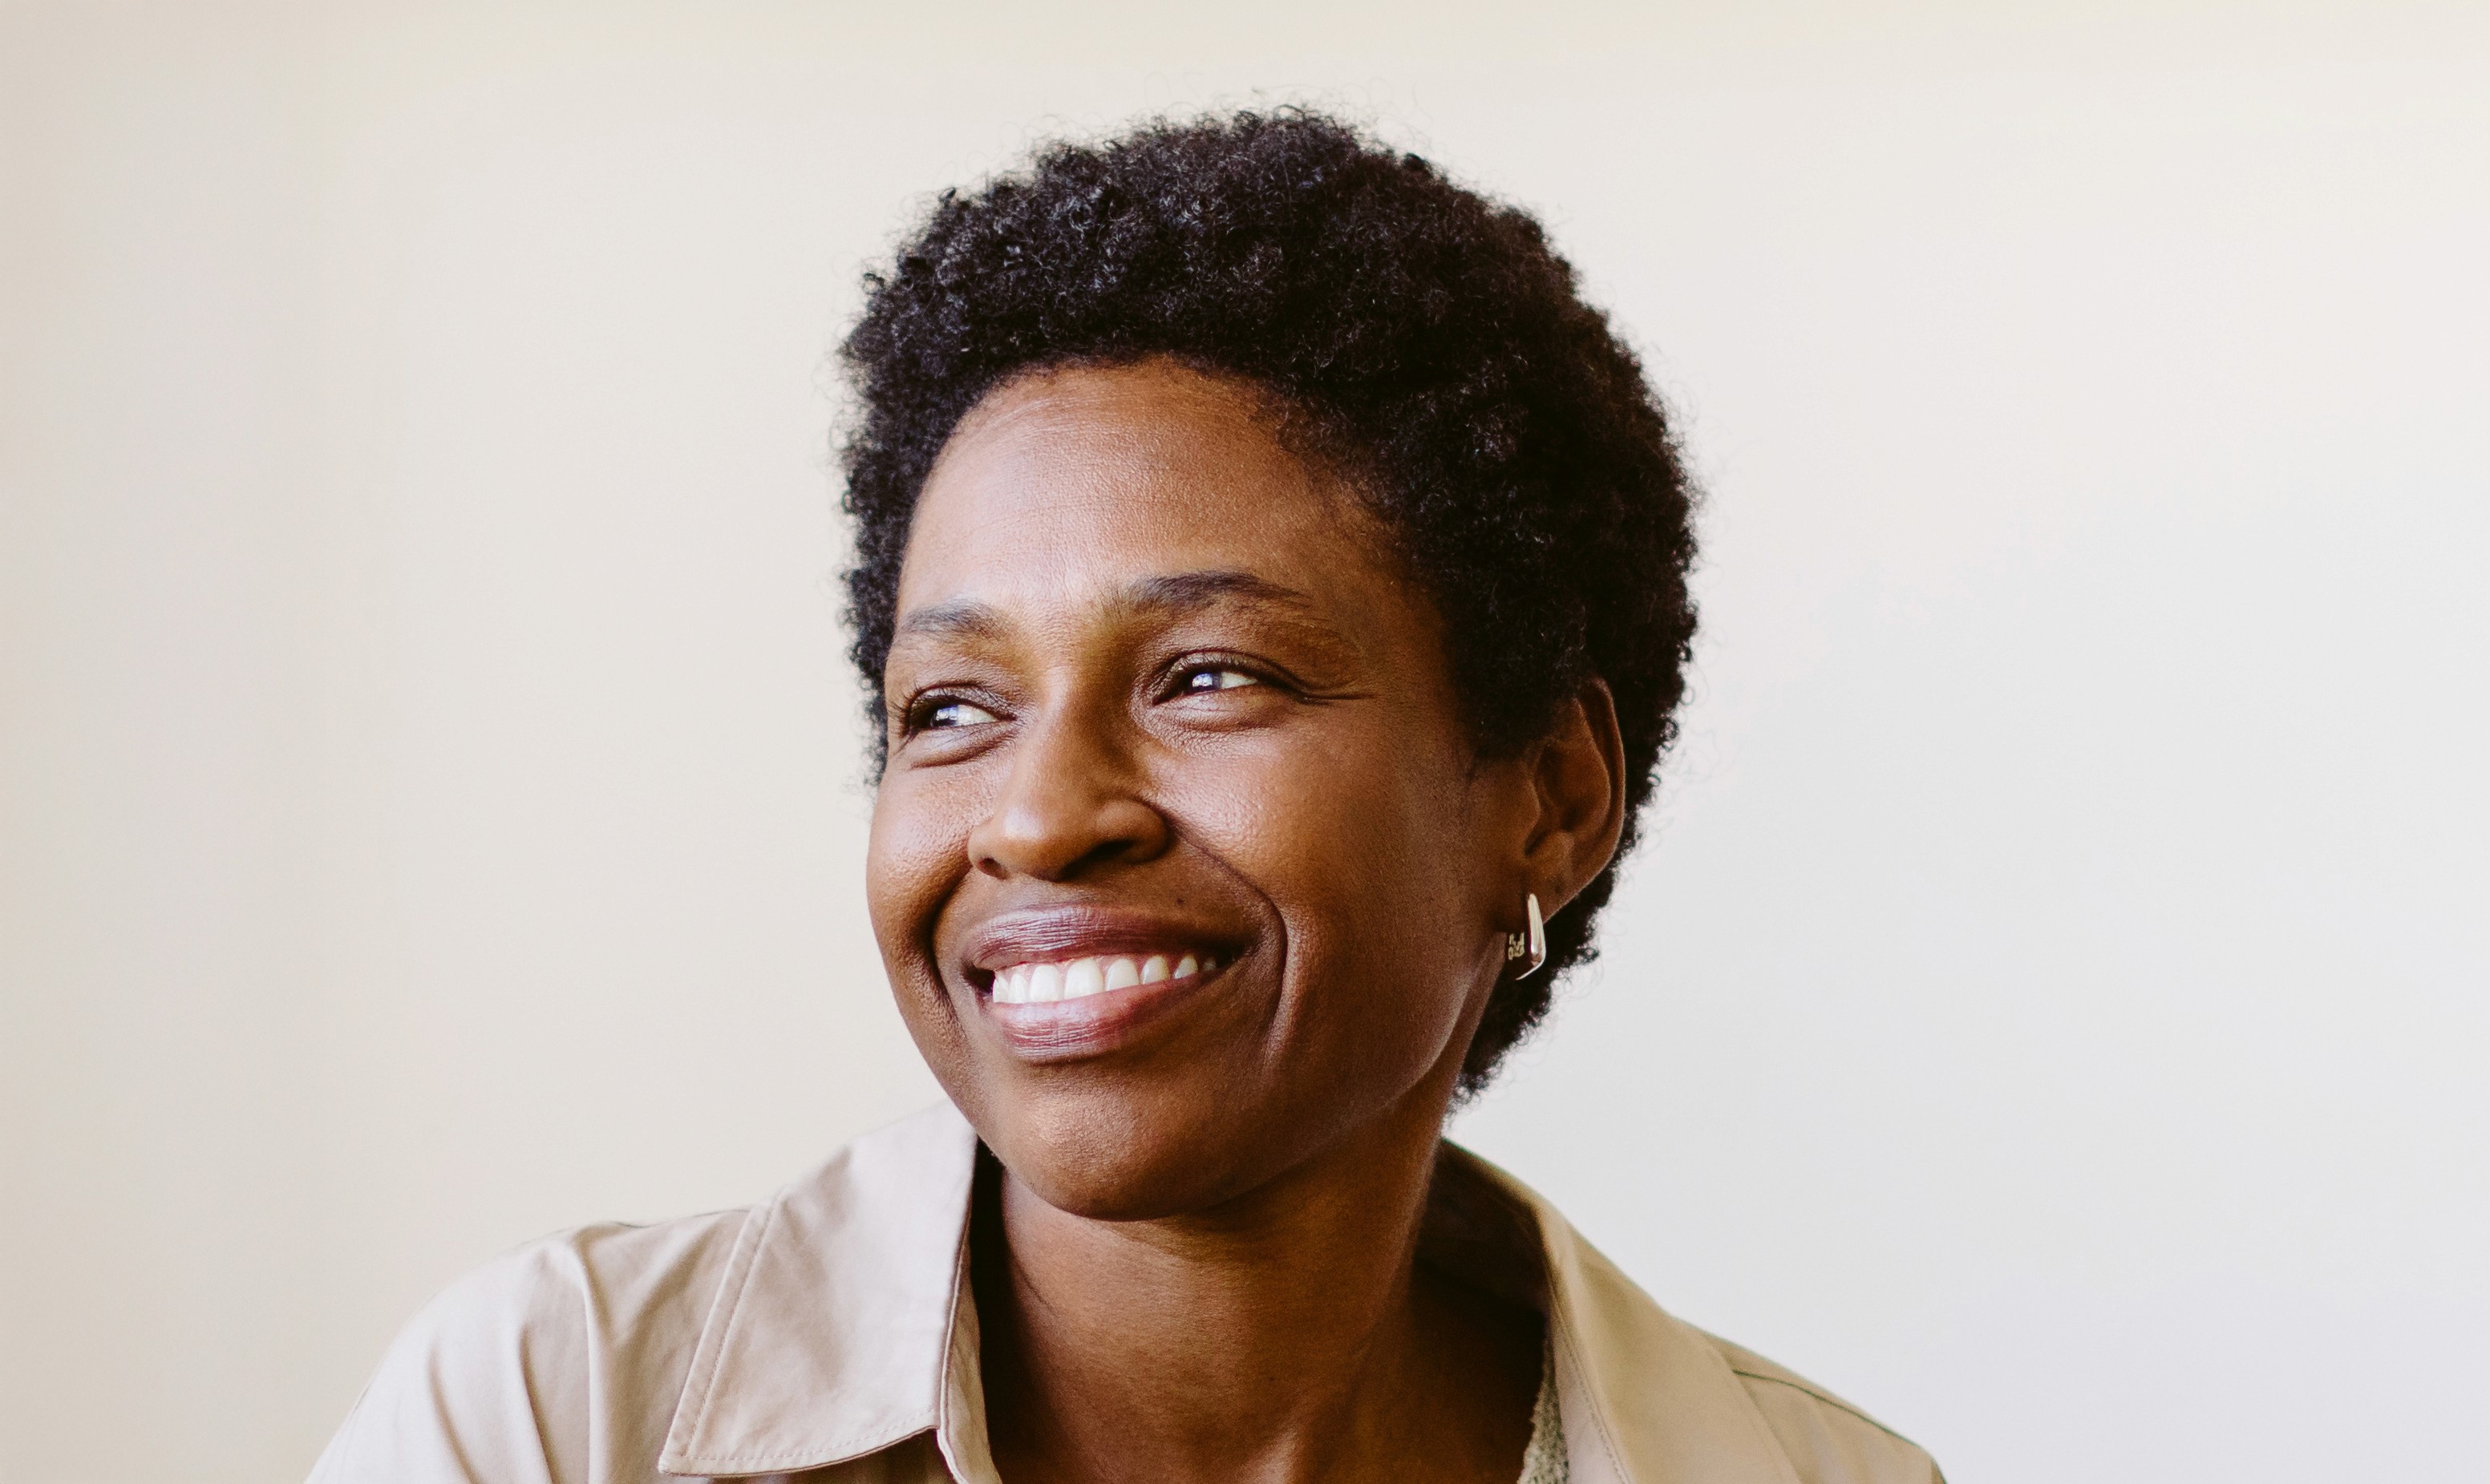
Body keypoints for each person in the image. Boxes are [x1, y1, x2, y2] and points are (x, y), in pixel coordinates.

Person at [311, 109, 1941, 1484]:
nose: (1035, 818)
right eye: (951, 708)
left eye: (1208, 675)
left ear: (1551, 797)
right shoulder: (557, 1416)